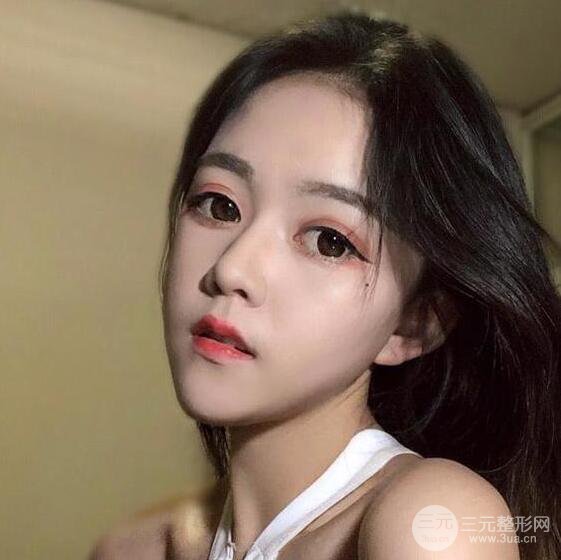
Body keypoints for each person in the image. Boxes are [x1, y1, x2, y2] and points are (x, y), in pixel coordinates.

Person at [90, 9, 561, 560]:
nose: (232, 269)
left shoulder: (432, 522)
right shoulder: (135, 548)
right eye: (219, 205)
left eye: (330, 241)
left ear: (415, 323)